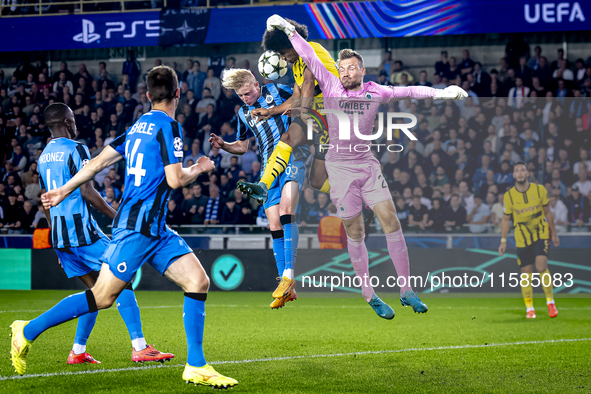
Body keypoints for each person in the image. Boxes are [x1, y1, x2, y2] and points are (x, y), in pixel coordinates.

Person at [13, 67, 237, 388]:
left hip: (156, 230)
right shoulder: (169, 127)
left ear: (147, 96)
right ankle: (27, 330)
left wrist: (63, 189)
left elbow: (97, 164)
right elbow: (175, 180)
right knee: (102, 297)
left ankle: (197, 365)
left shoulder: (136, 126)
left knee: (198, 281)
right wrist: (199, 167)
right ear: (178, 93)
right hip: (134, 229)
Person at [258, 14, 468, 319]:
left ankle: (407, 290)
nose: (345, 72)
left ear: (362, 70)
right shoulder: (329, 85)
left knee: (391, 221)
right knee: (355, 231)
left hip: (368, 166)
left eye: (351, 68)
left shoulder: (374, 91)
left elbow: (408, 91)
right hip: (340, 170)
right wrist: (289, 29)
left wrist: (442, 92)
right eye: (341, 69)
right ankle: (369, 294)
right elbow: (304, 52)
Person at [17, 102, 173, 366]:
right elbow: (88, 192)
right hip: (83, 234)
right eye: (73, 118)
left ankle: (77, 351)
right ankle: (140, 346)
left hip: (62, 238)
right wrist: (118, 217)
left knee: (96, 293)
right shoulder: (77, 149)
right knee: (121, 277)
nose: (75, 121)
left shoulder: (43, 156)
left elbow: (46, 200)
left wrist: (58, 241)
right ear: (67, 122)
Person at [209, 68, 308, 309]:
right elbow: (242, 147)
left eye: (247, 92)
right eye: (240, 95)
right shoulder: (243, 113)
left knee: (286, 211)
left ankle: (288, 277)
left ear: (256, 83)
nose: (245, 98)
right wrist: (224, 146)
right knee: (274, 224)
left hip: (292, 156)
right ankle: (286, 284)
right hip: (267, 169)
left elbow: (301, 98)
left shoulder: (275, 89)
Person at [242, 17, 336, 202]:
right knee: (317, 181)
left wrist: (304, 112)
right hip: (321, 117)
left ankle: (264, 184)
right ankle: (263, 186)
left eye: (283, 52)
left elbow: (309, 83)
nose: (283, 58)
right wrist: (271, 111)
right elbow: (298, 96)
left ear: (294, 43)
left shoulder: (313, 50)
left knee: (289, 137)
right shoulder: (297, 65)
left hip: (336, 113)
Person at [499, 162, 560, 319]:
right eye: (517, 171)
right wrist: (503, 240)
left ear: (527, 173)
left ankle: (550, 302)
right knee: (526, 273)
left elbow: (547, 212)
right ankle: (529, 308)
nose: (520, 173)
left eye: (522, 170)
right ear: (513, 175)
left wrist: (554, 233)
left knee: (541, 267)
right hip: (522, 237)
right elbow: (506, 219)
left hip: (540, 233)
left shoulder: (539, 190)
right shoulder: (509, 196)